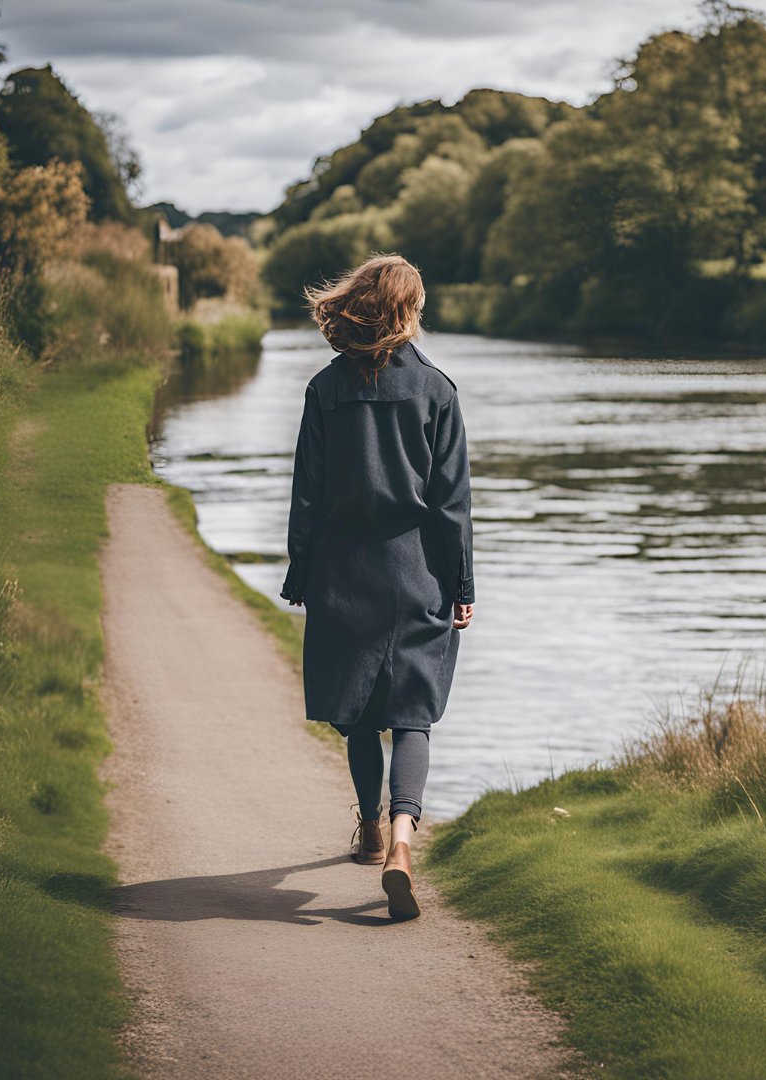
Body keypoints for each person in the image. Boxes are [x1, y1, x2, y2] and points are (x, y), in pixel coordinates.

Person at [279, 253, 475, 921]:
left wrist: (299, 570)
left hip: (342, 573)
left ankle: (366, 827)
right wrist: (461, 585)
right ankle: (401, 842)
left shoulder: (325, 391)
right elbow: (451, 506)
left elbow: (307, 495)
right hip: (416, 576)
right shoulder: (438, 391)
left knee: (360, 717)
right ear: (408, 311)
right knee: (412, 714)